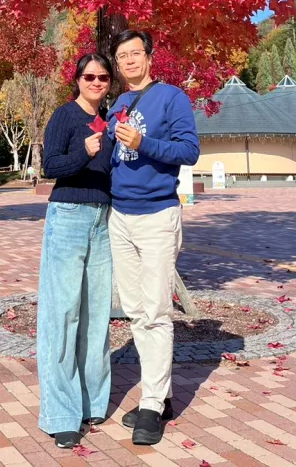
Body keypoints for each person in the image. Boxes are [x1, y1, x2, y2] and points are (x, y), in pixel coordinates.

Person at [107, 29, 200, 446]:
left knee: (156, 311)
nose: (128, 60)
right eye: (121, 55)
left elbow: (188, 151)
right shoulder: (118, 104)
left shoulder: (172, 97)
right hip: (119, 216)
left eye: (135, 53)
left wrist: (143, 142)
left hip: (157, 214)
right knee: (134, 309)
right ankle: (158, 396)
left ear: (149, 57)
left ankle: (151, 403)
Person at [37, 53, 115, 449]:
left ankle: (92, 400)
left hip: (104, 218)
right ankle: (61, 412)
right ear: (78, 79)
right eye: (89, 76)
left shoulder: (113, 120)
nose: (96, 82)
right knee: (63, 312)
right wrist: (83, 152)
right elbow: (50, 166)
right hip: (68, 215)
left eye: (103, 77)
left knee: (97, 312)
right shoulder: (65, 116)